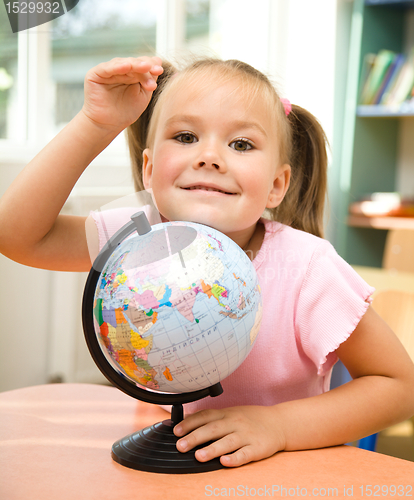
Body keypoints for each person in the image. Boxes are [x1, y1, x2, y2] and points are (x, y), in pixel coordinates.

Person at [0, 56, 413, 469]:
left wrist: (278, 426)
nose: (210, 157)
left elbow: (400, 386)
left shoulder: (308, 267)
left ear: (276, 185)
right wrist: (95, 123)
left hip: (279, 475)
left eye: (241, 144)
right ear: (148, 168)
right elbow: (19, 237)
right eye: (185, 136)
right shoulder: (137, 239)